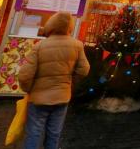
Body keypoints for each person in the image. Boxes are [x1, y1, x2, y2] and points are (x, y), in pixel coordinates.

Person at [18, 12, 90, 149]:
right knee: (54, 134)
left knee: (34, 134)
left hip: (38, 100)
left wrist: (29, 89)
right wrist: (70, 83)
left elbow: (24, 76)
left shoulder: (39, 46)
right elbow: (84, 70)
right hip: (62, 97)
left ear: (51, 25)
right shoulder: (77, 45)